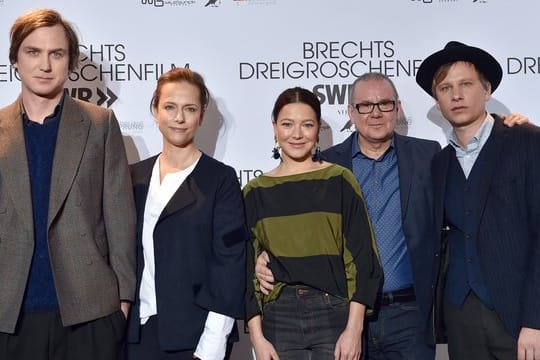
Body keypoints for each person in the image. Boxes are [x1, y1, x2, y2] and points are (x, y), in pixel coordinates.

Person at [254, 73, 530, 360]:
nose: (375, 113)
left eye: (384, 104)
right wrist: (263, 257)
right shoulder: (327, 165)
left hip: (411, 314)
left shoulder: (428, 156)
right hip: (343, 316)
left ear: (397, 109)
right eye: (364, 106)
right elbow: (293, 225)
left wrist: (508, 129)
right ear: (351, 112)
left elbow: (473, 193)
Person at [0, 8, 136, 360]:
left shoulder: (100, 123)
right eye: (33, 52)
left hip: (90, 314)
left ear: (71, 61)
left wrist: (122, 302)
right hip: (8, 314)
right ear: (14, 59)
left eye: (56, 53)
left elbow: (119, 216)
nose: (45, 64)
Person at [416, 41, 540, 360]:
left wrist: (535, 320)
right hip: (461, 316)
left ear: (486, 90)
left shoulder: (527, 141)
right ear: (437, 100)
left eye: (465, 84)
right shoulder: (437, 164)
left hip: (518, 316)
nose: (456, 95)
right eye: (445, 87)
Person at [244, 86, 382, 360]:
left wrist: (354, 329)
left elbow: (364, 261)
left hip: (334, 313)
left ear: (318, 129)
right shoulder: (255, 192)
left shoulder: (339, 180)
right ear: (274, 128)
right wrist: (257, 338)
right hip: (278, 317)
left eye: (307, 125)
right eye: (287, 124)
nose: (297, 134)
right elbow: (245, 272)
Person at [126, 67, 247, 360]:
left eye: (189, 109)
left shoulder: (220, 180)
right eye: (169, 107)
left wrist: (212, 347)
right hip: (135, 337)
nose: (179, 118)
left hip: (195, 339)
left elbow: (229, 266)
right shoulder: (133, 176)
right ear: (155, 110)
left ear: (201, 116)